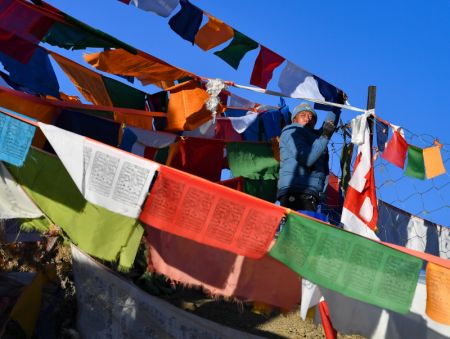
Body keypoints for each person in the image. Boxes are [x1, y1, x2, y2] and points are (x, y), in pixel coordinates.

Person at [277, 99, 344, 213]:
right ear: (294, 120)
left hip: (309, 193)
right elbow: (307, 158)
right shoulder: (293, 132)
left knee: (303, 230)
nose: (308, 118)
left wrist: (337, 103)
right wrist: (325, 136)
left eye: (311, 117)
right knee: (298, 230)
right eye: (303, 115)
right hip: (296, 192)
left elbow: (328, 125)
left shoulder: (314, 137)